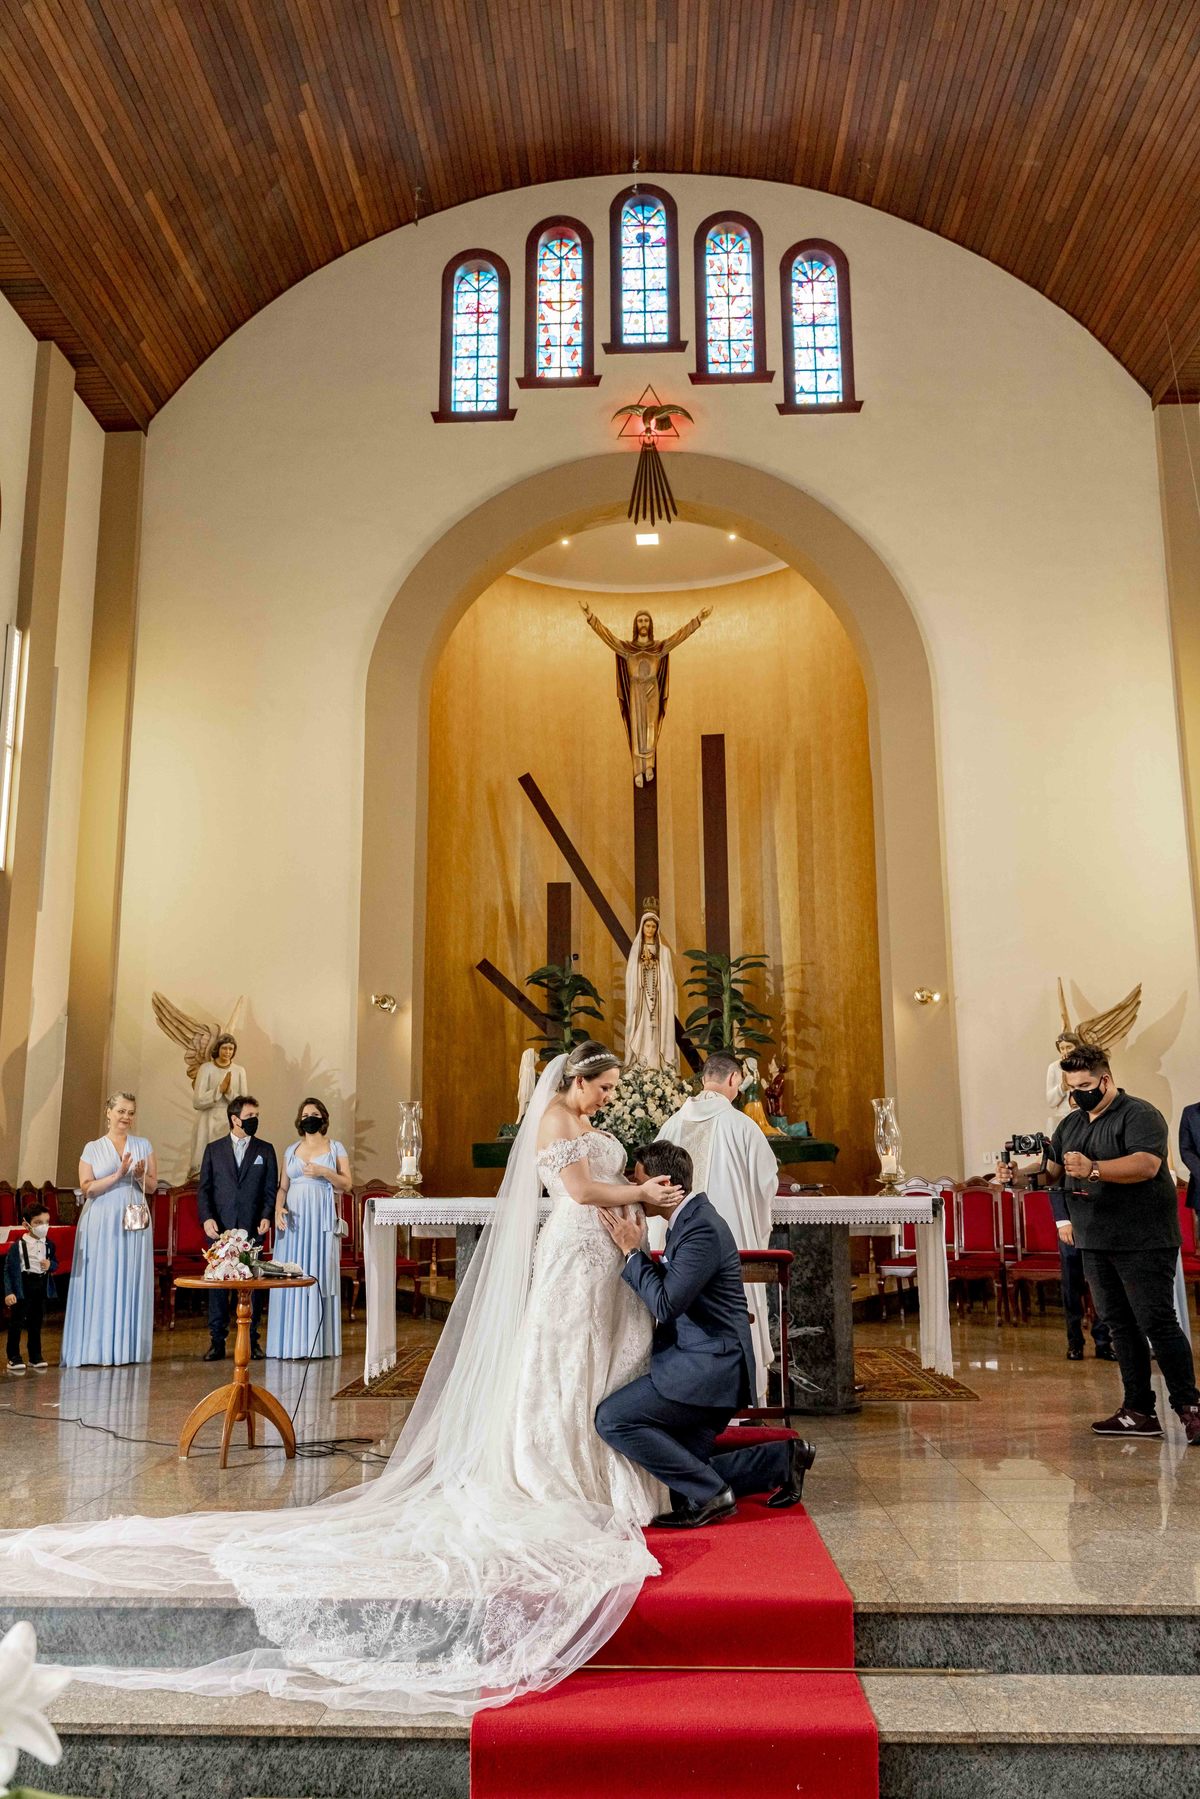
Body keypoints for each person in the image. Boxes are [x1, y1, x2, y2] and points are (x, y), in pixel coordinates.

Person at [0, 1041, 792, 1714]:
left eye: (615, 1091)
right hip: (578, 1258)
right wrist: (644, 1193)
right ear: (574, 1082)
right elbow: (579, 1190)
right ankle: (567, 1475)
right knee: (563, 1375)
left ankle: (635, 1475)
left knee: (602, 1377)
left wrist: (633, 1209)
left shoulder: (586, 1121)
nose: (610, 1099)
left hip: (606, 1264)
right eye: (605, 1087)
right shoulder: (553, 1121)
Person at [596, 1139, 816, 1526]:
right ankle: (783, 1459)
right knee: (677, 1487)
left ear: (663, 1183)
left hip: (710, 1370)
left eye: (639, 1179)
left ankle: (715, 1496)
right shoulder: (691, 1220)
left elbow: (666, 1304)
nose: (635, 1187)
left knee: (614, 1418)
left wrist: (632, 1253)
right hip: (709, 1365)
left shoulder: (701, 1228)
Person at [1011, 1043, 1200, 1444]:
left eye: (1084, 1085)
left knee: (1157, 1322)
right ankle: (1138, 1411)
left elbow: (1147, 1166)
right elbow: (1053, 1173)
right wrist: (1016, 1175)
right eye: (1071, 1087)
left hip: (1143, 1238)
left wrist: (1095, 1169)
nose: (1078, 1094)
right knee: (1120, 1325)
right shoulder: (1071, 1124)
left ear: (1106, 1079)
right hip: (1094, 1239)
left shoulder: (1140, 1114)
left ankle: (1190, 1408)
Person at [657, 1050, 777, 1400]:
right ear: (734, 1080)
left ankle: (684, 1400)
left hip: (680, 1251)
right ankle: (743, 1405)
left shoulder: (671, 1125)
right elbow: (766, 1184)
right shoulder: (743, 1126)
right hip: (732, 1244)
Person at [62, 1094, 156, 1367]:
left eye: (131, 1112)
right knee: (101, 1278)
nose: (126, 1117)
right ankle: (94, 1348)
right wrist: (118, 1174)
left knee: (129, 1277)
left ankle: (128, 1349)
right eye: (121, 1111)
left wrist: (137, 1175)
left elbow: (151, 1187)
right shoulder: (92, 1148)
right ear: (109, 1112)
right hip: (101, 1220)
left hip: (133, 1219)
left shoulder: (143, 1145)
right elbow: (88, 1187)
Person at [196, 1094, 278, 1362]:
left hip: (253, 1228)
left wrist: (266, 1215)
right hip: (221, 1229)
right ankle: (216, 1341)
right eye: (250, 1116)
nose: (255, 1121)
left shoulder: (265, 1150)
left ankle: (253, 1340)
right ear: (235, 1119)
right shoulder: (214, 1149)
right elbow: (205, 1189)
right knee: (219, 1287)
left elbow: (269, 1189)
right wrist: (207, 1217)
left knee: (253, 1285)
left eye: (256, 1116)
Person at [268, 1098, 351, 1360]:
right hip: (293, 1223)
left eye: (314, 1114)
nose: (309, 1118)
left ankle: (318, 1344)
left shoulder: (335, 1147)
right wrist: (278, 1209)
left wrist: (324, 1171)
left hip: (320, 1220)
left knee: (318, 1272)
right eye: (305, 1114)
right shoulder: (290, 1149)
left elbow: (347, 1184)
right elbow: (283, 1187)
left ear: (323, 1118)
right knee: (291, 1273)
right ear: (299, 1120)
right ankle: (288, 1343)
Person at [1048, 1188, 1115, 1361]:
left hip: (1102, 1220)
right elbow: (1054, 1180)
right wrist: (1062, 1221)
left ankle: (1103, 1342)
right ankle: (1075, 1342)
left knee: (1104, 1284)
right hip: (1072, 1224)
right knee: (1071, 1287)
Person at [5, 1199, 58, 1374]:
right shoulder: (18, 1246)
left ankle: (35, 1356)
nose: (43, 1226)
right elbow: (8, 1270)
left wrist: (50, 1265)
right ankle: (13, 1357)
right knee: (17, 1322)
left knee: (36, 1321)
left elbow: (55, 1263)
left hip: (40, 1284)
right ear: (26, 1225)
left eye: (46, 1222)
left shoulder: (48, 1244)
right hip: (23, 1284)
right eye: (38, 1223)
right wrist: (9, 1292)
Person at [190, 1033, 248, 1170]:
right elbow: (197, 1101)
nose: (227, 1052)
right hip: (207, 1120)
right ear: (217, 1049)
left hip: (228, 1122)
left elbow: (244, 1104)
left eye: (231, 1049)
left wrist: (228, 1092)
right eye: (224, 1048)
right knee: (205, 1161)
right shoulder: (206, 1069)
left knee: (226, 1162)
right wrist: (218, 1090)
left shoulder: (239, 1071)